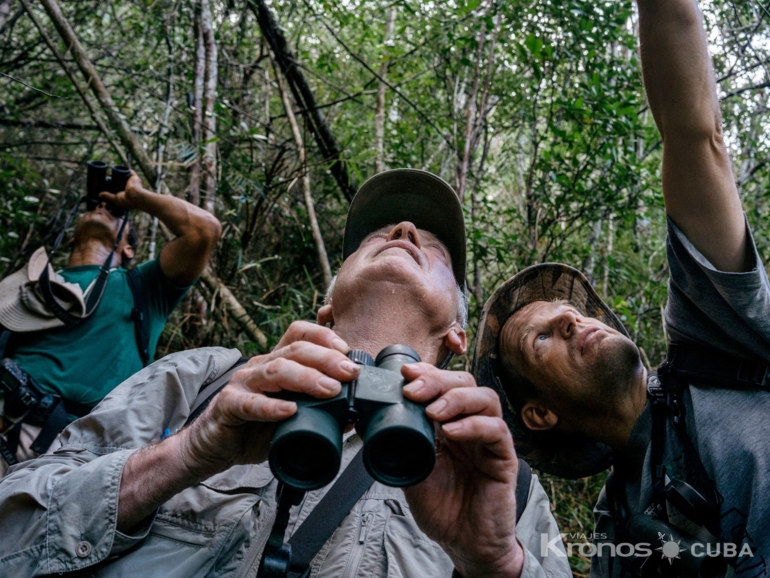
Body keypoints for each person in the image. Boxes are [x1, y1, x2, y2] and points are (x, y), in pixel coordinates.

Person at [0, 168, 569, 578]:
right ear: (325, 309)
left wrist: (495, 564)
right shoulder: (206, 381)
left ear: (457, 335)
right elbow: (12, 533)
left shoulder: (503, 483)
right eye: (375, 238)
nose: (402, 229)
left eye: (435, 248)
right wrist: (184, 455)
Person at [472, 1, 770, 576]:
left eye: (568, 310)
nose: (570, 319)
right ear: (537, 414)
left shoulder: (716, 343)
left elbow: (694, 134)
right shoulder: (615, 540)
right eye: (541, 340)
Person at [0, 168, 221, 474]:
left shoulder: (144, 288)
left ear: (128, 247)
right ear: (73, 235)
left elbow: (204, 230)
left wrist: (136, 197)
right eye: (94, 207)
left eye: (112, 211)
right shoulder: (30, 288)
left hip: (74, 453)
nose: (101, 207)